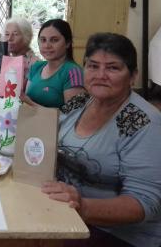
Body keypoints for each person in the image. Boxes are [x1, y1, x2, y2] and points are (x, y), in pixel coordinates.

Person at [42, 33, 161, 247]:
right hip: (69, 217)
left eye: (113, 68)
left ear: (133, 76)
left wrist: (83, 207)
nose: (100, 75)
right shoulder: (81, 101)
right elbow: (49, 134)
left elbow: (143, 203)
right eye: (93, 66)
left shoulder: (138, 120)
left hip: (118, 235)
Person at [23, 19, 84, 108]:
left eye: (54, 40)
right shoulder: (36, 67)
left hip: (57, 122)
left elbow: (72, 116)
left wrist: (31, 104)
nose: (47, 46)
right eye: (43, 40)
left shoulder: (73, 72)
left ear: (68, 43)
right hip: (28, 120)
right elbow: (26, 103)